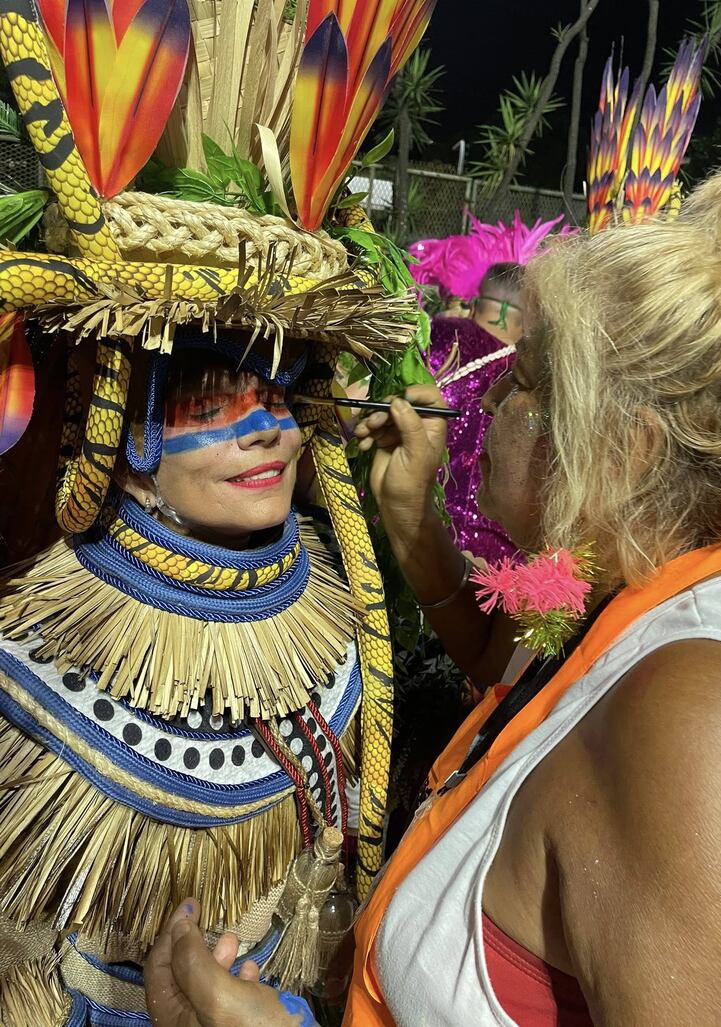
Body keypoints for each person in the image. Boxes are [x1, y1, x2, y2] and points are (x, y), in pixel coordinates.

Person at [146, 149, 721, 1025]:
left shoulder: (698, 725)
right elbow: (516, 684)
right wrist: (413, 520)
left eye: (519, 380)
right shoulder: (632, 567)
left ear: (615, 455)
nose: (483, 402)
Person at [0, 0, 432, 1022]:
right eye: (207, 390)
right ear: (117, 409)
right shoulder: (31, 647)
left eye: (281, 387)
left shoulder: (334, 634)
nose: (267, 428)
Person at [428, 263, 523, 570]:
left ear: (477, 301)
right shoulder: (530, 377)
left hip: (400, 531)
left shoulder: (433, 333)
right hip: (493, 566)